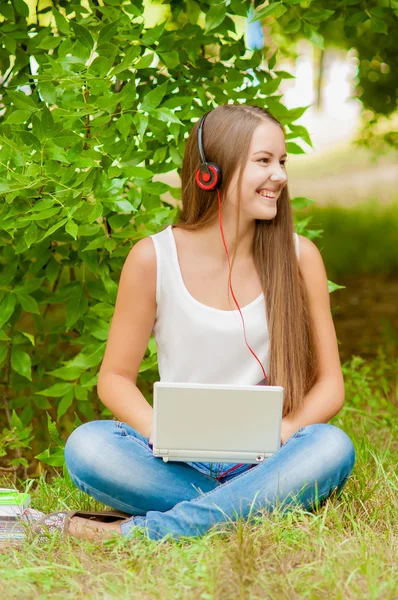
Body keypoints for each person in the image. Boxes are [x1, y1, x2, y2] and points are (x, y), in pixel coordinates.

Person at [35, 104, 356, 543]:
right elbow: (113, 379)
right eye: (264, 161)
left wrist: (282, 435)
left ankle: (139, 533)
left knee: (330, 448)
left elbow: (330, 386)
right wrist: (157, 433)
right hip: (173, 462)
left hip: (269, 457)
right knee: (88, 447)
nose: (279, 176)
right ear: (212, 173)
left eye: (282, 162)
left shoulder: (301, 258)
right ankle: (256, 505)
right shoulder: (153, 258)